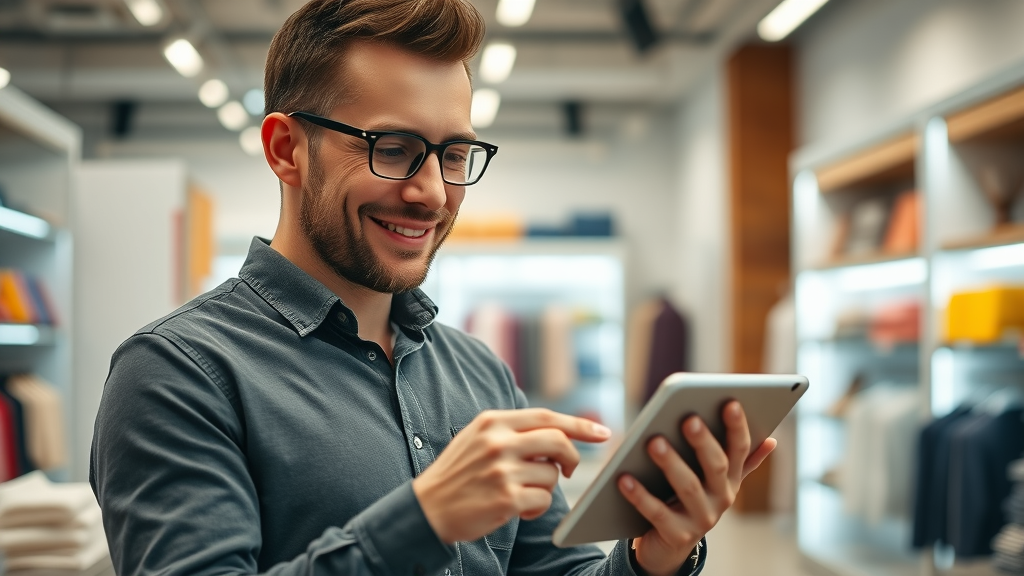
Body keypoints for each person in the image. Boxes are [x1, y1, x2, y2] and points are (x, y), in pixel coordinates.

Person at [90, 1, 775, 575]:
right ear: (285, 150)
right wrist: (422, 518)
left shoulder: (478, 371)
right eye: (392, 148)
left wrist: (652, 553)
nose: (433, 193)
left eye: (453, 154)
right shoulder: (177, 374)